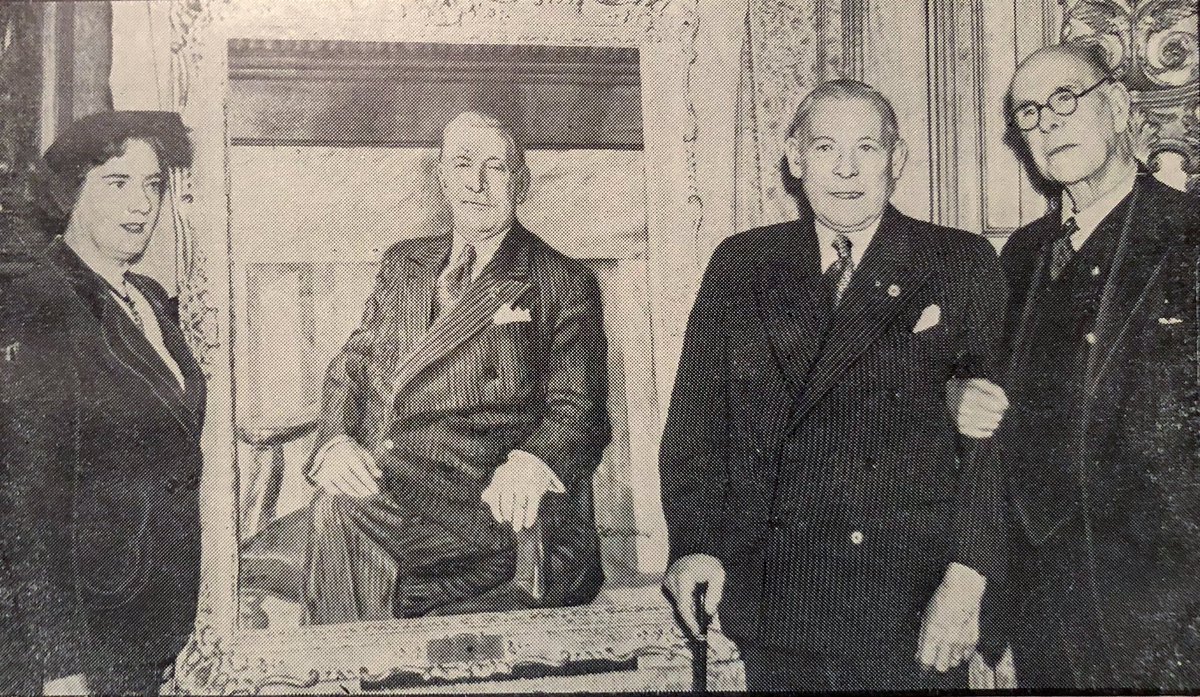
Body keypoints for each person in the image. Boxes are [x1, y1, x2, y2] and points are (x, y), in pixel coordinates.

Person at [658, 79, 1009, 691]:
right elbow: (696, 422)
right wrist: (694, 543)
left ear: (896, 161)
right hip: (778, 602)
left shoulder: (959, 260)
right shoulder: (742, 264)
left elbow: (994, 442)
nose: (846, 170)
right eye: (825, 148)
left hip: (907, 603)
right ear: (795, 159)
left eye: (867, 149)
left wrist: (967, 577)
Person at [241, 111, 611, 624]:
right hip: (389, 487)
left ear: (521, 183)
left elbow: (581, 409)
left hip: (488, 504)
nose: (475, 183)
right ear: (440, 175)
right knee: (334, 515)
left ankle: (351, 673)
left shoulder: (559, 279)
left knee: (340, 518)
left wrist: (533, 462)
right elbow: (353, 366)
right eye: (461, 164)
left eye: (495, 167)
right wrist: (334, 441)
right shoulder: (404, 264)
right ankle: (364, 670)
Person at [958, 42, 1200, 690]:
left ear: (1118, 104)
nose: (1049, 122)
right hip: (1043, 617)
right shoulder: (1023, 253)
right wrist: (960, 398)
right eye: (1029, 114)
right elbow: (989, 410)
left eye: (1065, 99)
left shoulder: (1188, 233)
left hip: (1165, 622)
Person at [0, 111, 206, 695]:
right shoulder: (39, 304)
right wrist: (58, 666)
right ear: (70, 195)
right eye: (117, 183)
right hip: (91, 637)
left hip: (158, 625)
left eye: (153, 185)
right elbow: (23, 508)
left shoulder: (148, 300)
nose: (141, 204)